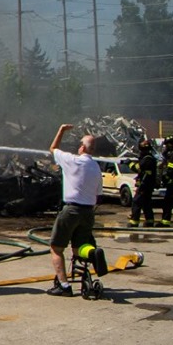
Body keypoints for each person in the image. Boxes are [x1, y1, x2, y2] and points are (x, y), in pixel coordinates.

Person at [44, 123, 104, 295]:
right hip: (88, 212)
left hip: (71, 211)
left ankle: (64, 286)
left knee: (56, 248)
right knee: (80, 248)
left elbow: (53, 148)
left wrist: (61, 130)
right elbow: (99, 194)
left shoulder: (73, 161)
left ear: (83, 147)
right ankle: (93, 252)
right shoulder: (96, 168)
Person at [129, 137, 159, 228]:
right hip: (147, 185)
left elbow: (137, 168)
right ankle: (149, 221)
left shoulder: (147, 159)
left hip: (144, 185)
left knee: (136, 202)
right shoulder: (149, 158)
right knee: (146, 203)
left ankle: (134, 222)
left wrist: (129, 163)